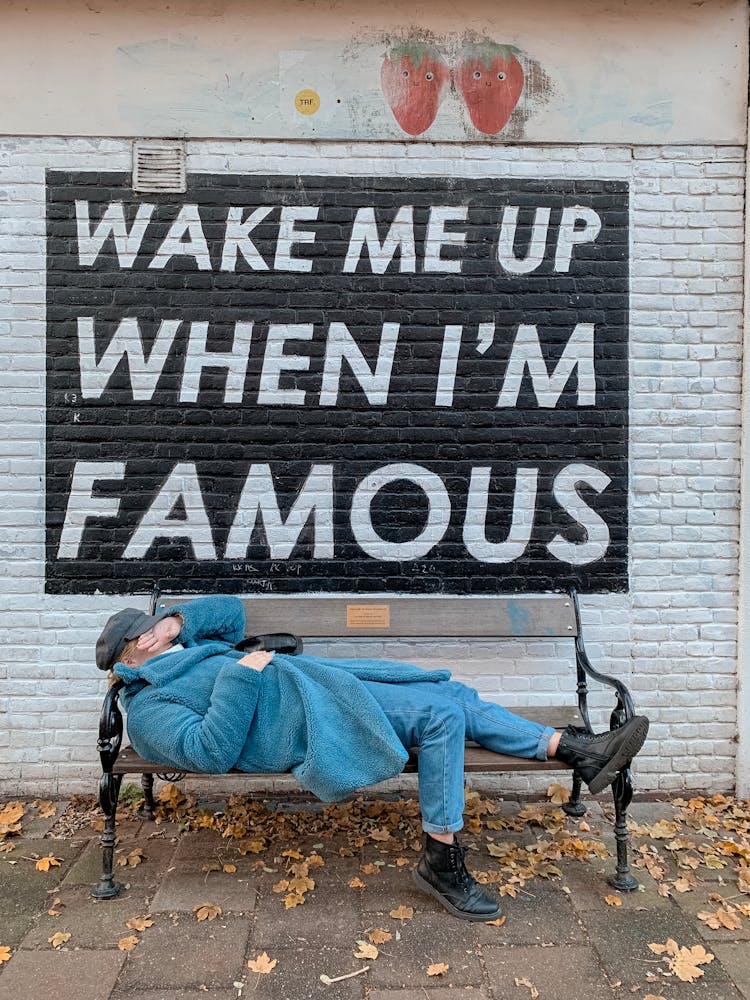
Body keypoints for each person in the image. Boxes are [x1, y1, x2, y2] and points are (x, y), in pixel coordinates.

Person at [96, 595, 649, 922]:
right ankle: (441, 860)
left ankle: (576, 751)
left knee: (451, 696)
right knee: (442, 716)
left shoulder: (182, 647)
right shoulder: (148, 706)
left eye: (158, 627)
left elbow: (230, 614)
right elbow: (208, 752)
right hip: (306, 719)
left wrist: (176, 619)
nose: (159, 632)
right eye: (150, 630)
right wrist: (244, 674)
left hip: (321, 687)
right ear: (136, 649)